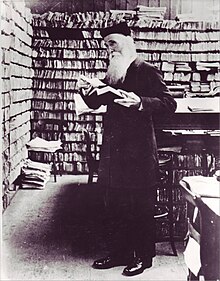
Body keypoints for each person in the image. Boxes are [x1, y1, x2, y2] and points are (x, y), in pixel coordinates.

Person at [77, 21, 177, 277]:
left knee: (140, 207)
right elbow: (99, 98)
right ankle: (120, 252)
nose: (110, 49)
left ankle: (144, 258)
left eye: (113, 43)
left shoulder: (146, 69)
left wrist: (140, 102)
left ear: (128, 39)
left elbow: (169, 103)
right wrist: (87, 91)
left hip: (139, 152)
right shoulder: (114, 71)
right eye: (106, 45)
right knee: (117, 205)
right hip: (114, 150)